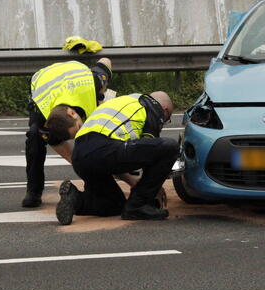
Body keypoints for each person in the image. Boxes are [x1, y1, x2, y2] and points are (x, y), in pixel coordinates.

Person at [55, 91, 179, 224]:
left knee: (114, 204)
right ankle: (138, 206)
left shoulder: (120, 102)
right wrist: (152, 188)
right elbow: (151, 153)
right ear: (164, 110)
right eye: (166, 119)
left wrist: (133, 181)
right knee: (169, 147)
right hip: (104, 148)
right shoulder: (152, 106)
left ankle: (76, 199)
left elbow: (113, 157)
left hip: (80, 156)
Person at [22, 57, 113, 208]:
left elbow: (106, 61)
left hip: (75, 75)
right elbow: (66, 152)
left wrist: (102, 93)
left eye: (78, 128)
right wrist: (87, 166)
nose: (80, 131)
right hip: (44, 79)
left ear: (72, 113)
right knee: (34, 138)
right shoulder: (41, 114)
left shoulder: (95, 80)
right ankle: (33, 191)